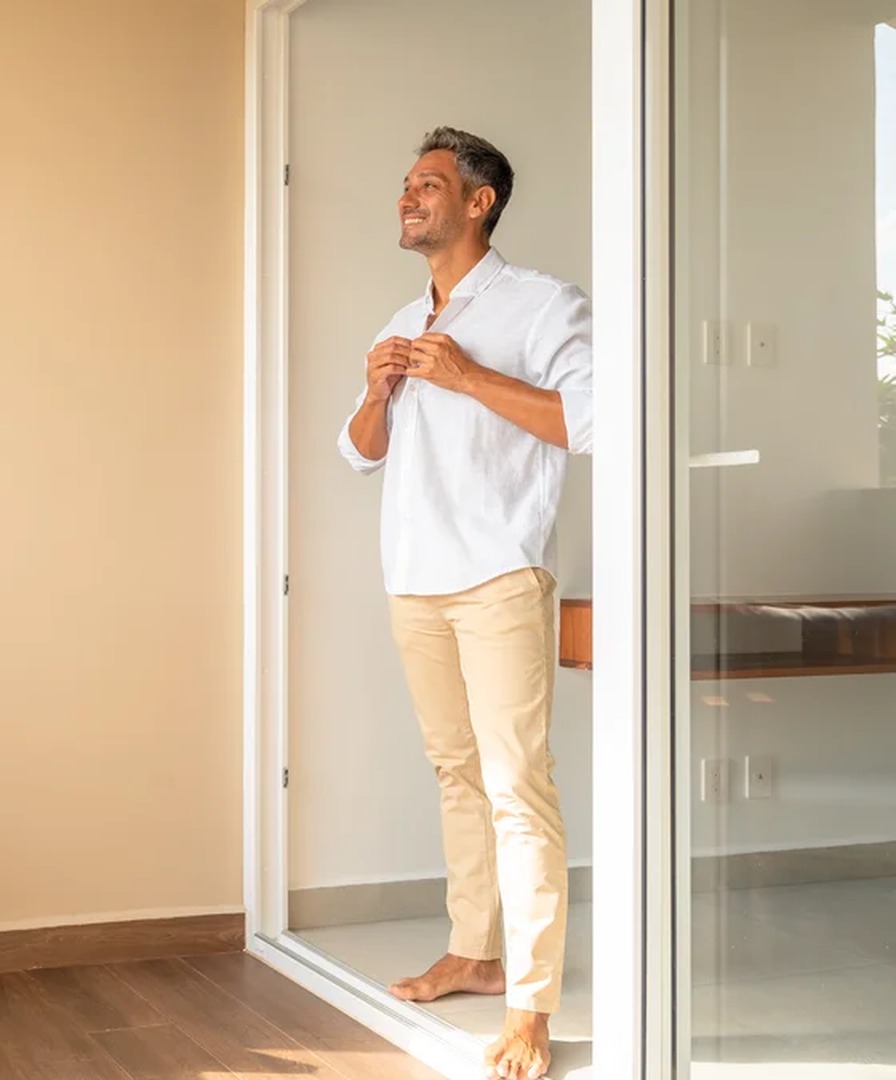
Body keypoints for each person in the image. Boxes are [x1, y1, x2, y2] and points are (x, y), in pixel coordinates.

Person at [336, 126, 593, 1080]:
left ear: (478, 202)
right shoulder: (400, 320)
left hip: (498, 574)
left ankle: (530, 1007)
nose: (408, 198)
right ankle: (475, 950)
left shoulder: (541, 305)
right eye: (405, 184)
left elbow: (588, 421)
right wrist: (378, 389)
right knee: (456, 774)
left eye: (428, 185)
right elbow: (363, 451)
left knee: (518, 788)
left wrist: (467, 375)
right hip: (414, 576)